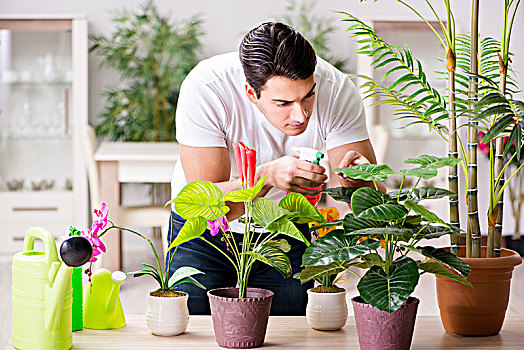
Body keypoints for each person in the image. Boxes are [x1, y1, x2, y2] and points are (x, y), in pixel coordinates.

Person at [167, 22, 385, 315]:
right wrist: (266, 177)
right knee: (196, 325)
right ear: (250, 92)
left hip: (286, 229)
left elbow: (375, 201)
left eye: (308, 95)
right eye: (283, 102)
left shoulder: (337, 90)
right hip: (205, 235)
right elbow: (210, 209)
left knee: (290, 330)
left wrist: (356, 180)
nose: (301, 115)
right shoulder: (207, 87)